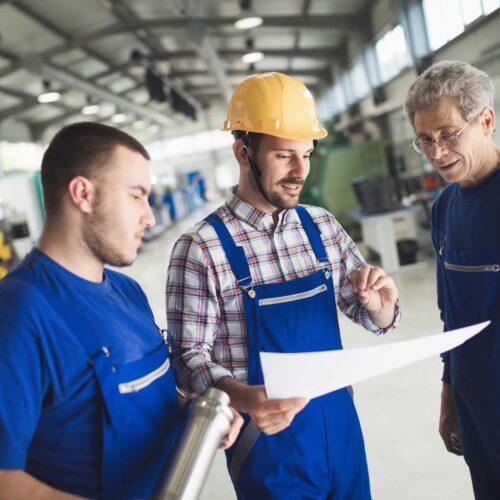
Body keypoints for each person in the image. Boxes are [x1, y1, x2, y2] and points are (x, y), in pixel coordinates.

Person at [167, 72, 400, 499]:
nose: (300, 172)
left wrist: (380, 303)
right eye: (283, 156)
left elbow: (373, 316)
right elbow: (186, 358)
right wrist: (245, 397)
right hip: (267, 445)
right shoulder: (200, 247)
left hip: (340, 428)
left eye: (307, 155)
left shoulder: (322, 226)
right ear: (243, 151)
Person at [0, 122, 242, 500]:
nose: (148, 216)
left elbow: (141, 395)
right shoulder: (18, 316)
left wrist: (197, 414)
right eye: (136, 196)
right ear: (83, 194)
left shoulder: (127, 292)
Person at [405, 60, 500, 499]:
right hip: (473, 396)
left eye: (448, 135)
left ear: (486, 120)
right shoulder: (443, 208)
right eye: (424, 140)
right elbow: (452, 315)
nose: (436, 153)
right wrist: (450, 392)